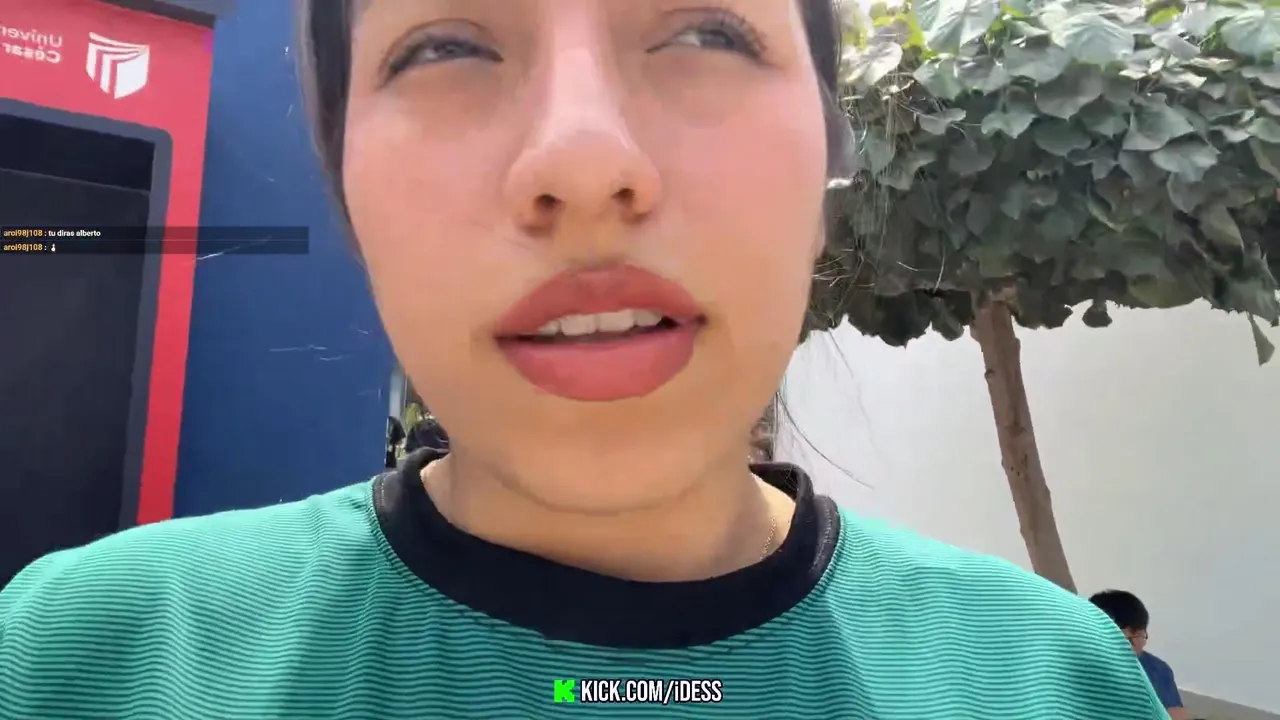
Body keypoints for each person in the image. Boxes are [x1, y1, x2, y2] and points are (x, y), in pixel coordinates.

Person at [0, 1, 1167, 717]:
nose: (582, 159)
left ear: (828, 176)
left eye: (707, 33)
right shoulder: (85, 662)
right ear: (349, 194)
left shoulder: (1048, 684)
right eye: (445, 46)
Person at [1091, 589, 1188, 719]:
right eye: (1123, 640)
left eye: (1138, 636)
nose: (1130, 649)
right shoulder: (1080, 665)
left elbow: (1175, 714)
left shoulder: (1156, 669)